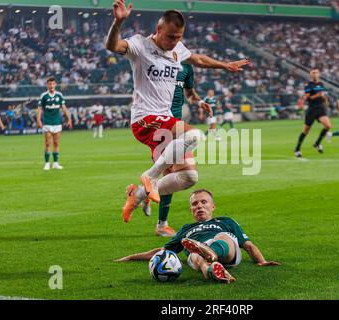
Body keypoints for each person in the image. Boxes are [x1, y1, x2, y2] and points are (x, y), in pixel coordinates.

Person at [105, 2, 249, 224]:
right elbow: (113, 45)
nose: (175, 42)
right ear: (159, 29)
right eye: (172, 36)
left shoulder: (177, 49)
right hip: (145, 119)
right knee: (195, 136)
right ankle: (150, 177)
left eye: (179, 37)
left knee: (188, 177)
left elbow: (199, 59)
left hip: (166, 121)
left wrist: (225, 65)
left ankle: (137, 196)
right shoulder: (139, 45)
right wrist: (118, 22)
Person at [115, 189, 280, 283]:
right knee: (193, 253)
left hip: (226, 252)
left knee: (223, 236)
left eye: (204, 202)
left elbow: (248, 245)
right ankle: (212, 272)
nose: (199, 206)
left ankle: (211, 252)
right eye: (195, 204)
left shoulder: (225, 221)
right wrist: (130, 257)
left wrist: (262, 261)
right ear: (191, 210)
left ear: (213, 206)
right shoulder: (186, 229)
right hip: (199, 255)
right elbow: (162, 251)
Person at [144, 62, 210, 237]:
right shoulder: (154, 62)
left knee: (188, 175)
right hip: (160, 129)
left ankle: (145, 190)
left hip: (178, 127)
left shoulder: (186, 67)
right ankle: (162, 224)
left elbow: (189, 93)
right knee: (169, 175)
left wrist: (200, 101)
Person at [37, 77, 73, 170]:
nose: (51, 85)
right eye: (49, 84)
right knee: (48, 143)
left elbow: (64, 108)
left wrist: (69, 119)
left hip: (57, 122)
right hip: (48, 122)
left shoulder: (59, 95)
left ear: (55, 84)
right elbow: (40, 109)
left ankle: (56, 163)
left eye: (53, 84)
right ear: (47, 85)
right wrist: (38, 120)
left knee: (56, 143)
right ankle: (47, 163)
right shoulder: (44, 96)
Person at [294, 68, 331, 158]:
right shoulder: (308, 85)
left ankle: (317, 143)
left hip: (320, 108)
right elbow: (307, 98)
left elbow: (321, 95)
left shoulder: (321, 84)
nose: (315, 74)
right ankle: (297, 149)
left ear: (319, 74)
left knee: (328, 126)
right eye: (313, 73)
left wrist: (325, 100)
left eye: (316, 72)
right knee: (306, 130)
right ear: (311, 75)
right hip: (312, 109)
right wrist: (316, 96)